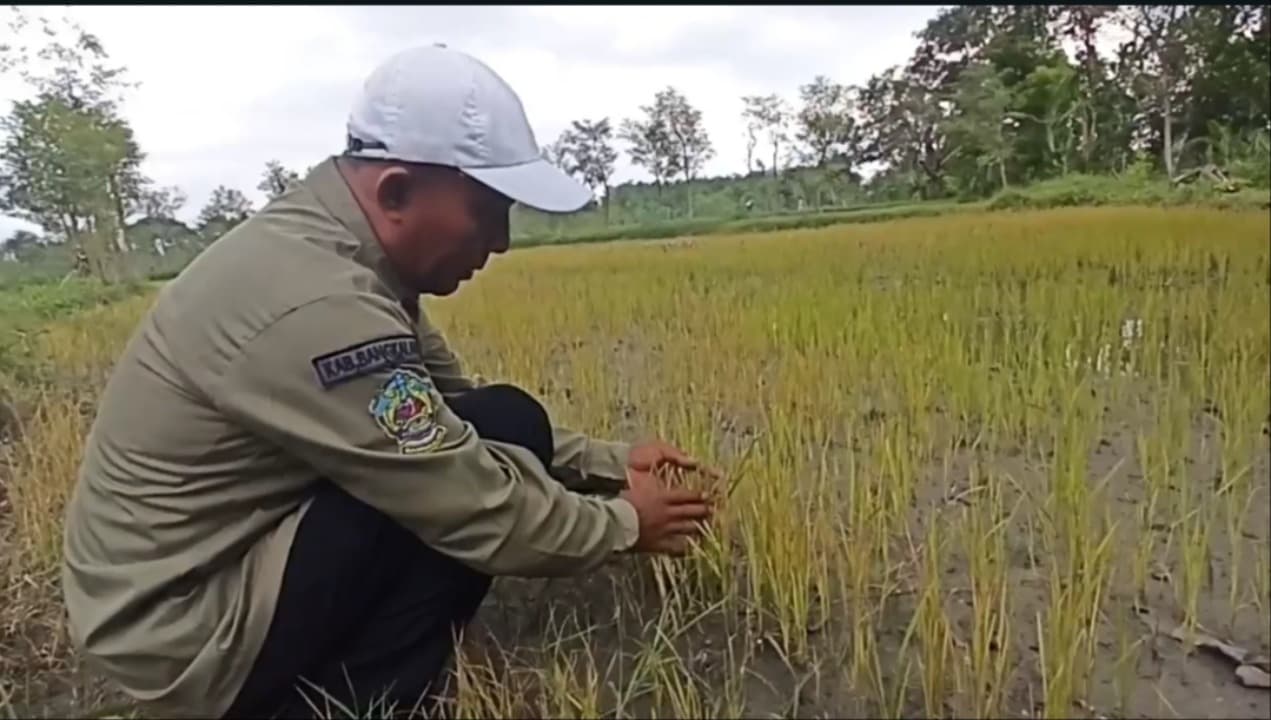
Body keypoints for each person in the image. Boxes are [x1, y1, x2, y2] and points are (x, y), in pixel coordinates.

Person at [61, 45, 716, 720]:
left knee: (504, 420)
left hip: (199, 571)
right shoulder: (320, 304)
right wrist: (624, 525)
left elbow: (452, 412)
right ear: (396, 190)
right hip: (182, 629)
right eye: (487, 211)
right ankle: (350, 703)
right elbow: (466, 498)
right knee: (443, 500)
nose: (500, 243)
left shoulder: (341, 258)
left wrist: (610, 463)